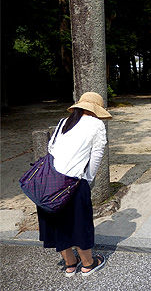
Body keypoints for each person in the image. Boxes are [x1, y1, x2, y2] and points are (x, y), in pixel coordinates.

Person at [37, 92, 112, 277]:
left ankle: (70, 264)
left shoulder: (64, 121)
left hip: (49, 181)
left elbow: (51, 149)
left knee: (58, 222)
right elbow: (96, 157)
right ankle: (88, 263)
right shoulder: (97, 125)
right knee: (79, 222)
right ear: (96, 110)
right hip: (74, 182)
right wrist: (88, 179)